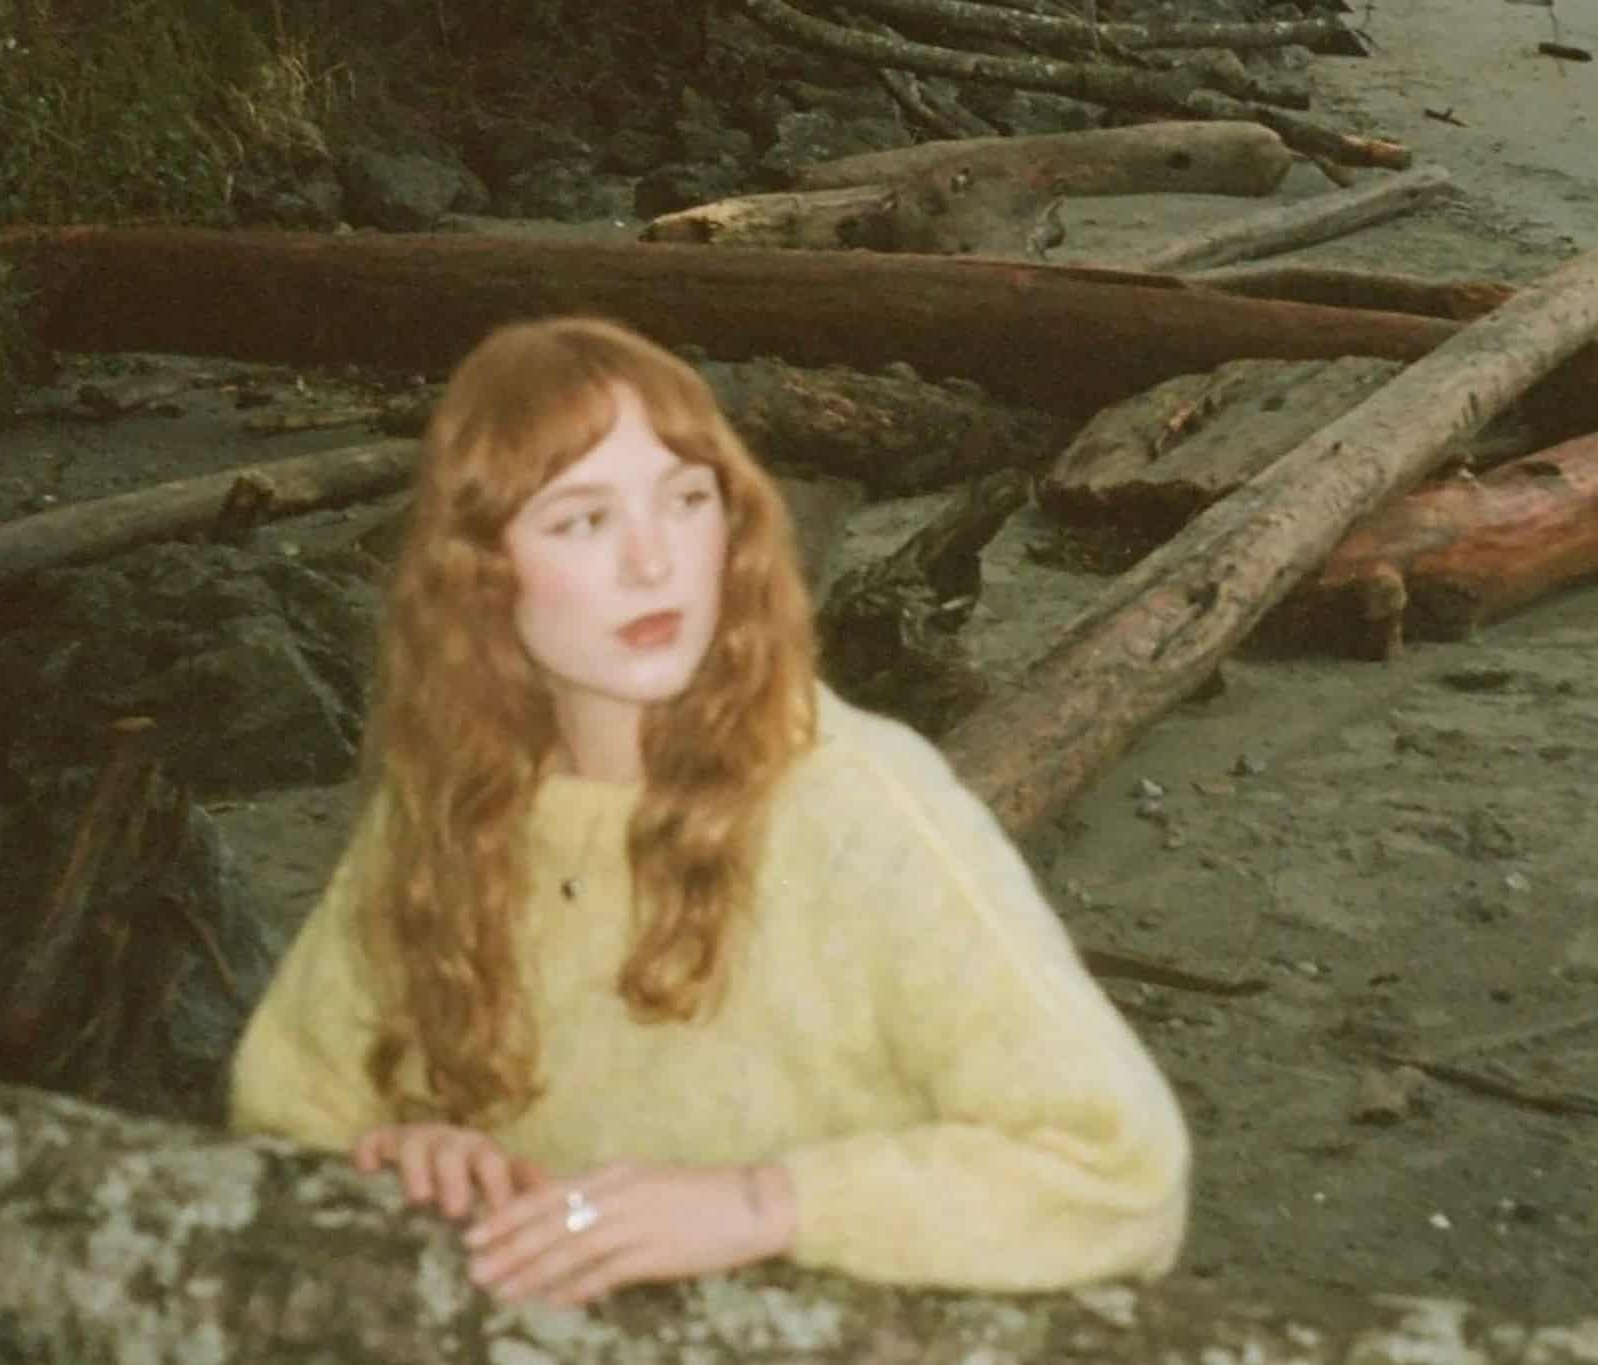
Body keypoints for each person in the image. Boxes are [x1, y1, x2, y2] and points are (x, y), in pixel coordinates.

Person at [226, 315, 1191, 1308]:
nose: (654, 562)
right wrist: (398, 1149)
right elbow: (286, 1109)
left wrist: (765, 1204)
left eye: (685, 501)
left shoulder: (857, 804)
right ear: (478, 575)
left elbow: (1120, 1173)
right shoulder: (445, 802)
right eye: (584, 521)